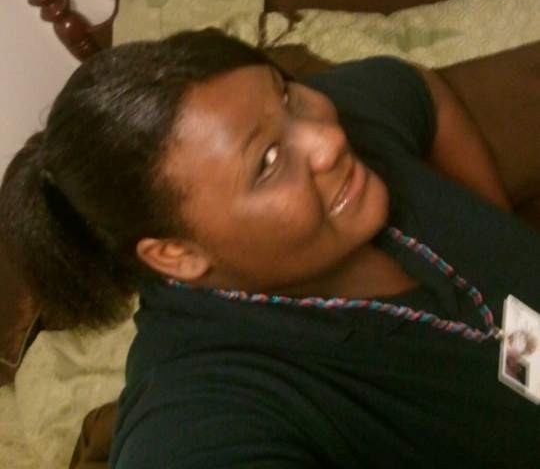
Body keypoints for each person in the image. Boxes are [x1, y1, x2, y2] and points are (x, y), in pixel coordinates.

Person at [1, 28, 540, 468]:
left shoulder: (329, 121)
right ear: (177, 255)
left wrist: (497, 228)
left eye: (285, 93)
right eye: (266, 162)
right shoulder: (204, 403)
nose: (329, 140)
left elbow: (419, 88)